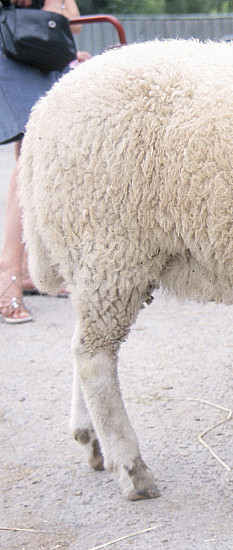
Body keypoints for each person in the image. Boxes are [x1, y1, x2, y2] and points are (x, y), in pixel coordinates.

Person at [0, 0, 86, 324]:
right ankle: (6, 277)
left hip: (42, 56)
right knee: (31, 162)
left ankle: (23, 271)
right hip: (11, 53)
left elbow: (73, 24)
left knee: (32, 157)